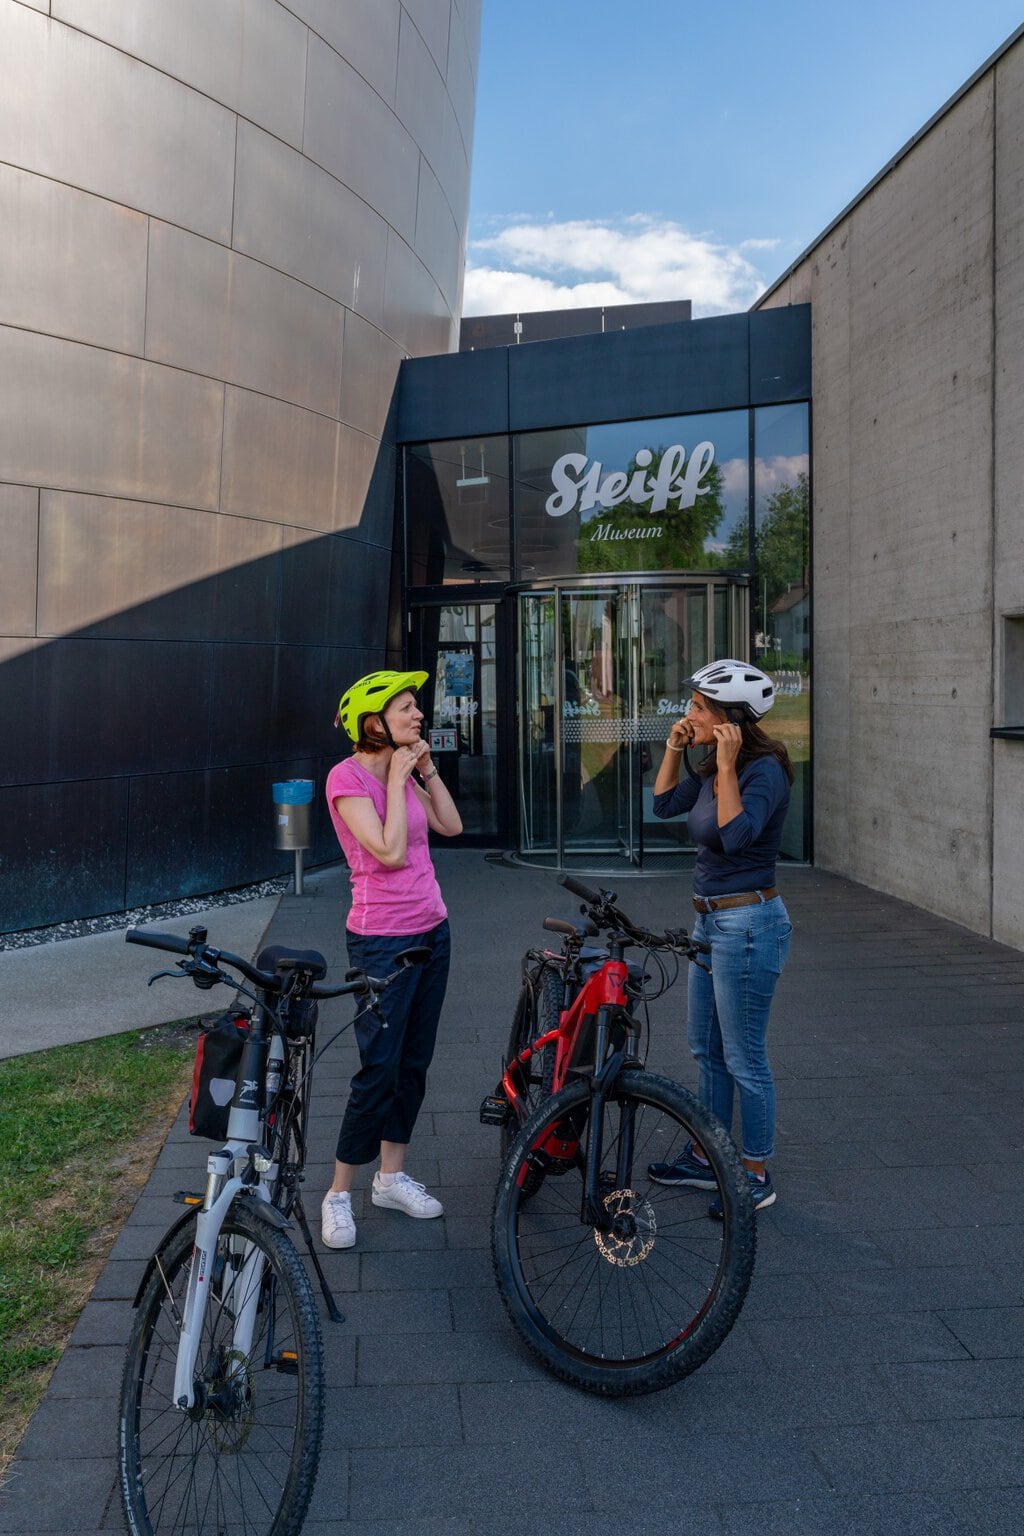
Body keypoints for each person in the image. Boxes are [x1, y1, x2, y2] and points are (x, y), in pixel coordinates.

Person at [320, 669, 463, 1249]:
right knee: (377, 1069)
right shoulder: (345, 778)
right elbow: (388, 851)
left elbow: (451, 826)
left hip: (433, 931)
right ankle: (338, 1194)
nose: (418, 716)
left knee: (413, 1062)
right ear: (373, 722)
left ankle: (390, 1177)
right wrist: (401, 779)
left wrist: (424, 771)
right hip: (381, 940)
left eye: (416, 708)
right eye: (405, 709)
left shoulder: (408, 772)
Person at [648, 659, 793, 1213]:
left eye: (699, 708)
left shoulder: (763, 771)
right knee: (704, 1049)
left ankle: (755, 1172)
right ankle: (709, 1156)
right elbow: (662, 804)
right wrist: (675, 748)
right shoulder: (712, 768)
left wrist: (727, 766)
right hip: (709, 922)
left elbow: (735, 838)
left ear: (732, 719)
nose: (690, 714)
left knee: (744, 1056)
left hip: (749, 926)